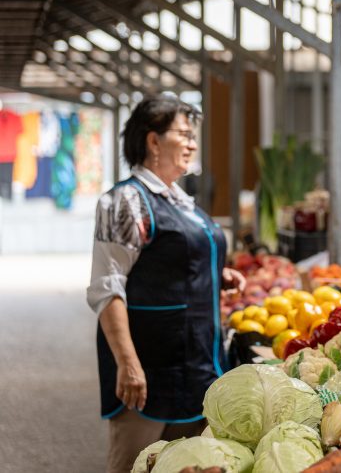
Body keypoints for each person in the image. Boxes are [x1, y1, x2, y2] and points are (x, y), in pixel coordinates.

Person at [86, 96, 246, 473]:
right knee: (137, 465)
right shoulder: (125, 201)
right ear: (153, 141)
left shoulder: (181, 202)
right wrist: (128, 364)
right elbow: (107, 288)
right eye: (184, 135)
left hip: (197, 367)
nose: (192, 144)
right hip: (148, 371)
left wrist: (215, 274)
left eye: (194, 136)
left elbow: (173, 258)